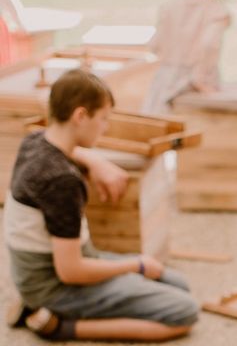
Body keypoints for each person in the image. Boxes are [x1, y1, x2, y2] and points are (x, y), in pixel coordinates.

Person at [4, 69, 199, 341]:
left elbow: (71, 151)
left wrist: (96, 161)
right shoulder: (62, 182)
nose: (105, 127)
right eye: (103, 119)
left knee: (178, 284)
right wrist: (136, 265)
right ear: (80, 116)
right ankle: (56, 326)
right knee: (184, 312)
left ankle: (44, 308)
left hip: (40, 271)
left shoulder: (35, 142)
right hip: (54, 285)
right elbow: (71, 271)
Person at [142, 0, 232, 114]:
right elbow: (209, 45)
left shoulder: (170, 7)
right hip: (191, 84)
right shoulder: (217, 11)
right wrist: (201, 82)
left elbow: (155, 45)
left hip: (164, 80)